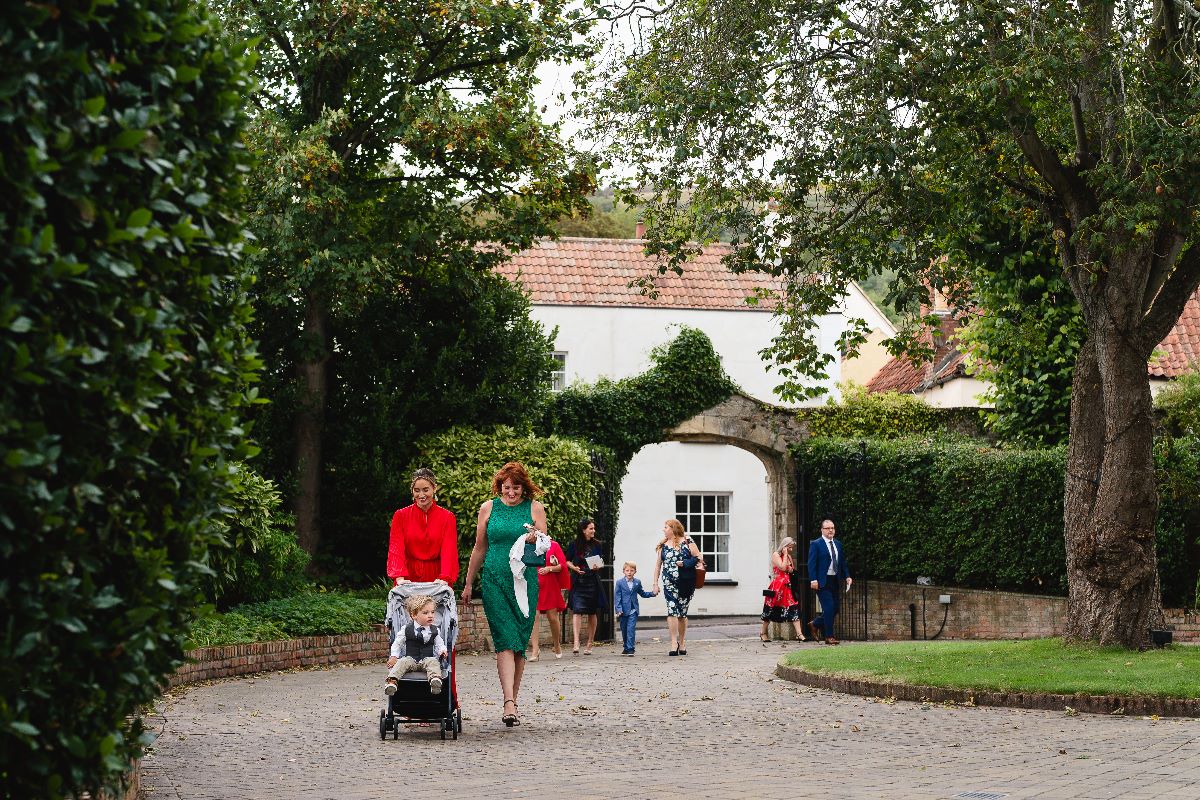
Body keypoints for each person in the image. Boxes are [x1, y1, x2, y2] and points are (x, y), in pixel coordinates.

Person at [462, 462, 548, 727]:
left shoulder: (535, 508)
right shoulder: (488, 508)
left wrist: (536, 538)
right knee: (504, 638)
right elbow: (479, 548)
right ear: (500, 486)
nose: (511, 493)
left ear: (524, 487)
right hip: (494, 579)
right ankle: (508, 702)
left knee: (519, 641)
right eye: (506, 487)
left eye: (516, 487)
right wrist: (467, 583)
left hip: (524, 581)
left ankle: (513, 699)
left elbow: (545, 546)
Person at [386, 467, 459, 586]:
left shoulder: (447, 517)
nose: (421, 495)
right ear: (412, 491)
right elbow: (396, 548)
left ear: (434, 488)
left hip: (437, 578)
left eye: (426, 490)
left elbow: (449, 550)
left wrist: (445, 578)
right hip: (407, 577)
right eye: (417, 490)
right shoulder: (400, 516)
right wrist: (399, 577)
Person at [652, 518, 703, 656]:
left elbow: (698, 558)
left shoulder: (687, 541)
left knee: (682, 614)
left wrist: (685, 563)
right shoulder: (663, 546)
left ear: (673, 529)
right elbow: (658, 566)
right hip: (669, 583)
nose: (664, 529)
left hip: (686, 582)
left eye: (666, 527)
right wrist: (655, 584)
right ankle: (673, 642)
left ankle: (682, 642)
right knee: (672, 610)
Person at [384, 594, 447, 695]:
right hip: (411, 659)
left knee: (434, 661)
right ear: (414, 615)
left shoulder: (435, 630)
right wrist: (394, 656)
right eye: (425, 613)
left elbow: (440, 644)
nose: (430, 615)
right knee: (402, 662)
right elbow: (397, 643)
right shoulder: (406, 629)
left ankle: (435, 680)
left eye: (432, 612)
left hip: (427, 660)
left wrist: (443, 651)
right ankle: (392, 681)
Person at [807, 518, 852, 645]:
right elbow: (811, 564)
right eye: (828, 528)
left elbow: (842, 562)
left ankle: (815, 624)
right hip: (822, 581)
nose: (831, 530)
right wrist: (813, 580)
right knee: (829, 608)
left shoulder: (838, 544)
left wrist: (847, 576)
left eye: (832, 528)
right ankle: (829, 636)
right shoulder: (816, 544)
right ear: (822, 530)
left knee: (835, 608)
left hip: (835, 580)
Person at [565, 518, 604, 655]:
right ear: (583, 530)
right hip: (578, 581)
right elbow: (567, 561)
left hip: (592, 581)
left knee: (592, 612)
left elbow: (600, 563)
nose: (593, 531)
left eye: (594, 528)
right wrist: (574, 568)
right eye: (591, 529)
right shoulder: (574, 544)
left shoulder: (597, 544)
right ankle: (576, 642)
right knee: (577, 611)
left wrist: (597, 566)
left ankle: (590, 643)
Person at [759, 537, 807, 644]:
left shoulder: (789, 556)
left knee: (793, 607)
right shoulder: (776, 555)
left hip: (787, 586)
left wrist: (791, 569)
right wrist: (785, 555)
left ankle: (799, 634)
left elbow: (790, 570)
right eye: (789, 547)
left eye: (792, 548)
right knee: (769, 610)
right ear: (784, 546)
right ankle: (763, 632)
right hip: (777, 587)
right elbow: (782, 567)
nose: (791, 550)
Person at [528, 538, 569, 661]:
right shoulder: (527, 545)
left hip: (550, 585)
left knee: (552, 617)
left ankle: (556, 644)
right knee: (534, 616)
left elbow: (562, 566)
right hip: (533, 584)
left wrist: (549, 568)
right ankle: (535, 650)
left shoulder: (554, 545)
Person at [613, 561, 656, 655]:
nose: (629, 572)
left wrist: (653, 593)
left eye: (631, 570)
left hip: (634, 610)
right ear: (623, 571)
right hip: (623, 611)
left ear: (635, 571)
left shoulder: (637, 582)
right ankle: (626, 647)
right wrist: (618, 609)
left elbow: (642, 593)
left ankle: (631, 648)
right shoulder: (619, 583)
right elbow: (617, 597)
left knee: (631, 629)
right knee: (624, 630)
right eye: (627, 570)